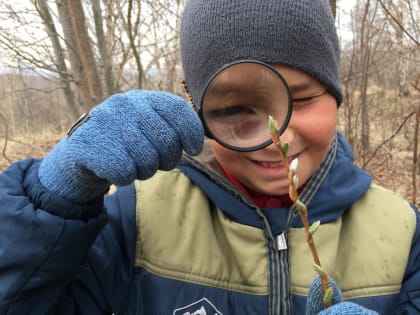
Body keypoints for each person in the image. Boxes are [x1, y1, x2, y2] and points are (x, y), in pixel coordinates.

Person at [0, 0, 418, 314]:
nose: (275, 138)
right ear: (199, 110)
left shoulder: (405, 236)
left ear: (337, 98)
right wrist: (51, 199)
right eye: (236, 108)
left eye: (303, 99)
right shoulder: (132, 224)